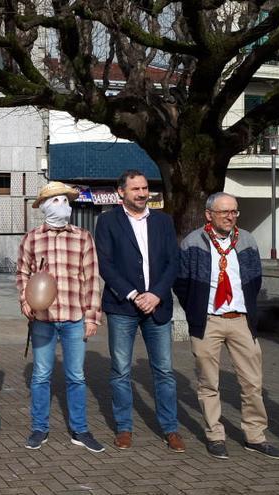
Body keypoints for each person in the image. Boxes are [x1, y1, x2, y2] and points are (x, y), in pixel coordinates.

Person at [174, 192, 279, 460]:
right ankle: (215, 434)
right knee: (208, 383)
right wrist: (196, 312)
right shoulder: (193, 242)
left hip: (240, 320)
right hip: (208, 321)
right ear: (208, 214)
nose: (230, 216)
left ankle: (255, 436)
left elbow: (255, 279)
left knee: (252, 383)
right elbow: (181, 283)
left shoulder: (246, 239)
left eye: (234, 211)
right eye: (224, 212)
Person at [94, 169, 184, 452]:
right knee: (120, 370)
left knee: (165, 371)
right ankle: (124, 427)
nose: (143, 193)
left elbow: (174, 262)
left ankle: (170, 428)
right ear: (121, 192)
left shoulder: (163, 221)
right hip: (123, 306)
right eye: (136, 189)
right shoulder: (107, 222)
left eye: (145, 188)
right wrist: (134, 294)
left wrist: (156, 294)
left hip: (157, 305)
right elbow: (105, 264)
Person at [15, 182, 104, 452]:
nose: (62, 205)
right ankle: (39, 427)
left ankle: (80, 429)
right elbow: (22, 273)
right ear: (43, 207)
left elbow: (91, 279)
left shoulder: (82, 237)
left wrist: (92, 317)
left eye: (65, 200)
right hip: (43, 320)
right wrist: (24, 301)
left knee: (76, 376)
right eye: (54, 201)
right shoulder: (32, 238)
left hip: (74, 317)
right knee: (41, 375)